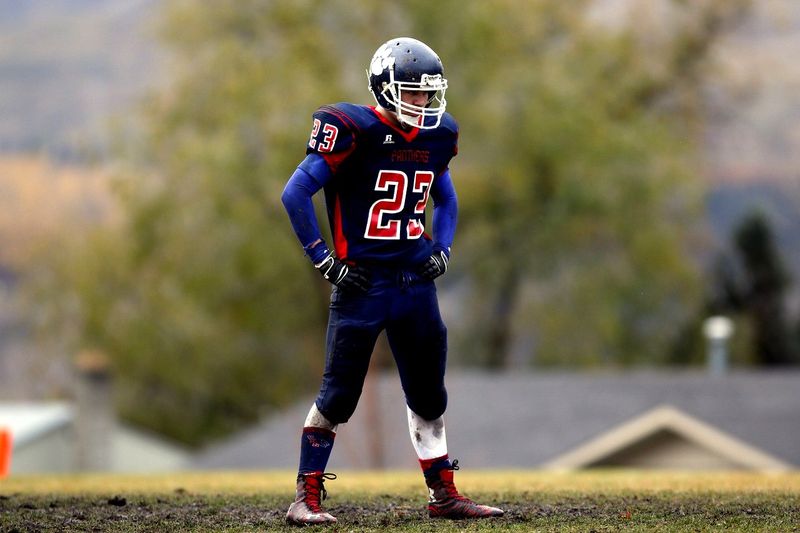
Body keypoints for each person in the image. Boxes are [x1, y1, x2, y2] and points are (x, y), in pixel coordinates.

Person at [280, 36, 504, 526]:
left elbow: (447, 199)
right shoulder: (352, 129)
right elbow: (295, 193)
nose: (423, 102)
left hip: (414, 283)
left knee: (429, 394)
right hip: (362, 283)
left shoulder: (436, 136)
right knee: (338, 395)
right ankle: (306, 497)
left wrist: (442, 249)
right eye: (414, 91)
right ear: (384, 90)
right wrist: (323, 259)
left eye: (429, 93)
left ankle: (443, 494)